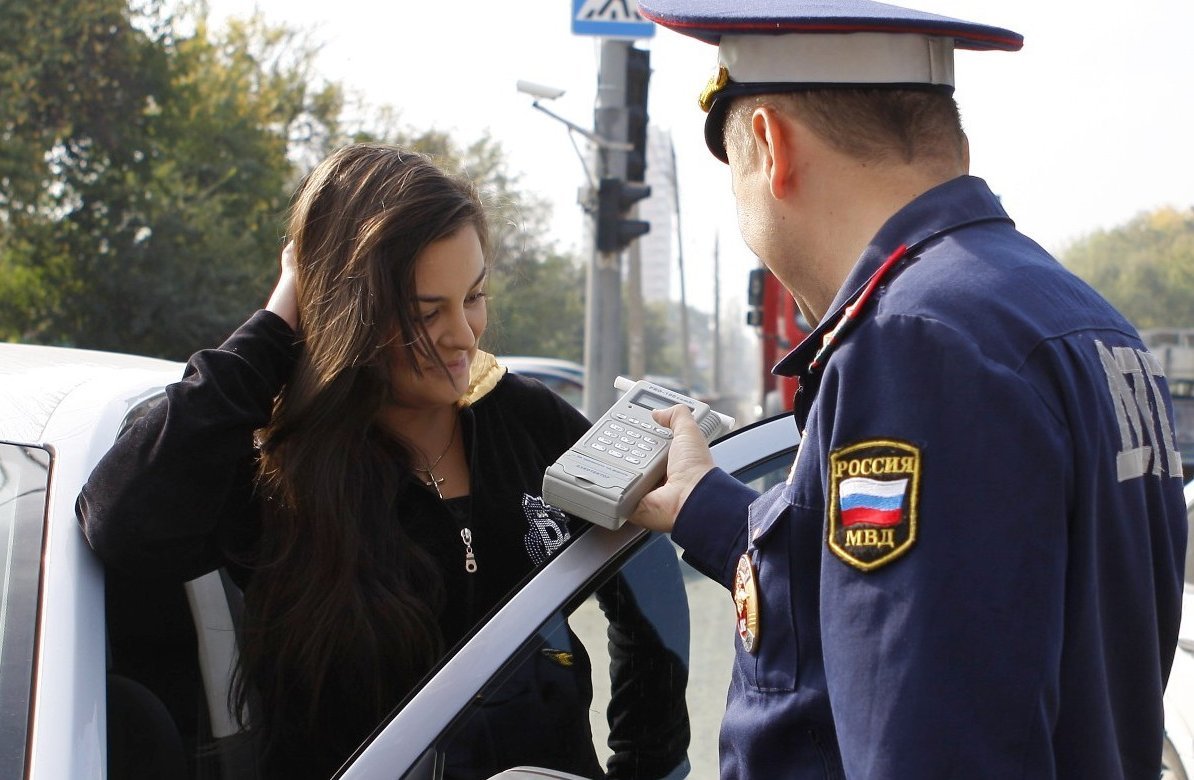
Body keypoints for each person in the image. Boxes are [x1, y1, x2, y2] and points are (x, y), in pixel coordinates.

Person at [628, 0, 1188, 777]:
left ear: (767, 143)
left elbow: (923, 737)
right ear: (948, 140)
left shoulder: (917, 342)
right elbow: (921, 594)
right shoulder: (1078, 317)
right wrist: (710, 506)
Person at [77, 143, 687, 779]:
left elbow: (645, 579)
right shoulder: (279, 463)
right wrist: (282, 315)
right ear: (351, 310)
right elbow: (124, 523)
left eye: (473, 296)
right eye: (428, 313)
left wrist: (650, 763)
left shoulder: (525, 418)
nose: (464, 334)